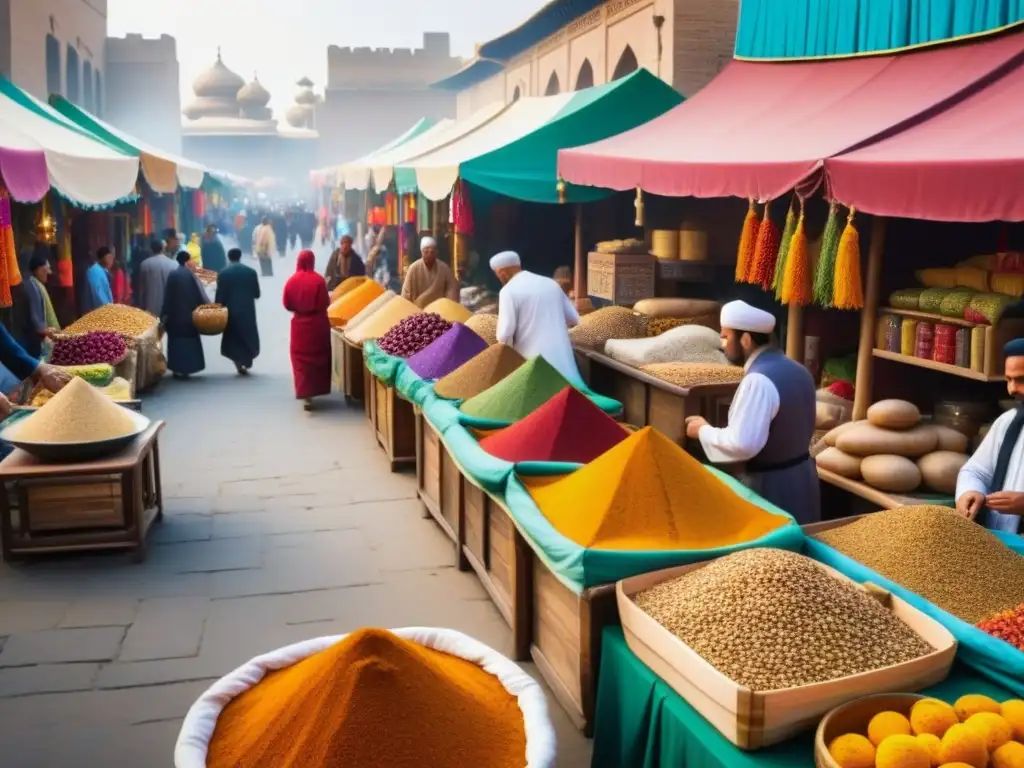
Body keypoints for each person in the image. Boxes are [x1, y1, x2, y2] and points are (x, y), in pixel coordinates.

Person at [684, 300, 820, 525]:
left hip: (774, 490)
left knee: (776, 555)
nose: (723, 344)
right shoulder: (799, 370)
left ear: (745, 340)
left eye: (726, 337)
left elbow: (743, 444)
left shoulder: (758, 380)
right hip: (803, 480)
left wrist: (703, 431)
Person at [955, 338, 1024, 533]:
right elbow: (976, 471)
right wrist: (970, 492)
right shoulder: (1008, 422)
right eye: (1009, 380)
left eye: (1021, 380)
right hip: (1000, 547)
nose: (1012, 389)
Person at [490, 250, 582, 384]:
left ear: (502, 273)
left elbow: (504, 334)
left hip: (532, 368)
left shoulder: (508, 291)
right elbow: (574, 318)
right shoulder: (551, 284)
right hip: (565, 368)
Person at [283, 250, 331, 410]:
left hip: (299, 326)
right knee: (318, 358)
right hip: (318, 325)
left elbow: (287, 303)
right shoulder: (318, 280)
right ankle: (315, 389)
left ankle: (305, 394)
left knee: (300, 359)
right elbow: (325, 301)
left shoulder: (291, 281)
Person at [160, 251, 207, 378]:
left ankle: (177, 368)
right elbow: (199, 295)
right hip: (190, 315)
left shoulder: (173, 275)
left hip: (175, 316)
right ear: (187, 261)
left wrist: (163, 313)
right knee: (190, 343)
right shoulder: (191, 275)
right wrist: (204, 307)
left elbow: (168, 297)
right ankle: (188, 367)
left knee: (176, 342)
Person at [215, 247, 261, 375]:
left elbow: (219, 297)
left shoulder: (223, 273)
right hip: (248, 311)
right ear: (240, 257)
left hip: (230, 311)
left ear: (229, 258)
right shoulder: (251, 272)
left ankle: (238, 362)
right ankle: (247, 359)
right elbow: (257, 294)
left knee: (233, 337)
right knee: (247, 335)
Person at [19, 253, 59, 358]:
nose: (49, 273)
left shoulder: (33, 284)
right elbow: (35, 315)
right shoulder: (31, 285)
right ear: (39, 269)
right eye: (47, 269)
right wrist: (45, 330)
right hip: (30, 338)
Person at [401, 236, 458, 308]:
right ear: (421, 252)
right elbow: (406, 293)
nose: (429, 254)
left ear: (436, 252)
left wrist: (449, 306)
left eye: (432, 252)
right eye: (426, 252)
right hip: (418, 310)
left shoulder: (444, 268)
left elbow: (452, 289)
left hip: (439, 310)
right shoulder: (413, 268)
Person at [137, 238, 177, 317]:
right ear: (163, 248)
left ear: (150, 249)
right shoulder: (174, 265)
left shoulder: (145, 265)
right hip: (169, 308)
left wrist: (141, 306)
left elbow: (141, 290)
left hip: (150, 308)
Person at [83, 246, 115, 313]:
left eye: (112, 258)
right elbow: (98, 296)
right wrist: (108, 312)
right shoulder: (95, 271)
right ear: (102, 258)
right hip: (99, 312)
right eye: (109, 257)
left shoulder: (103, 271)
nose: (111, 260)